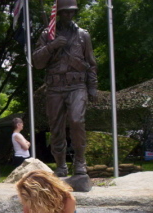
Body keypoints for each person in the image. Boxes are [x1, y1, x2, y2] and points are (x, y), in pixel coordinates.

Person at [32, 0, 97, 177]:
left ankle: (80, 162)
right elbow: (36, 63)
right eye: (65, 12)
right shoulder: (47, 35)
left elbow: (91, 63)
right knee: (56, 127)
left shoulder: (83, 35)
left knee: (76, 121)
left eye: (71, 12)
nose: (69, 15)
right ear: (58, 13)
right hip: (55, 87)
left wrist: (92, 88)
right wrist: (51, 46)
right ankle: (61, 165)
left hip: (77, 85)